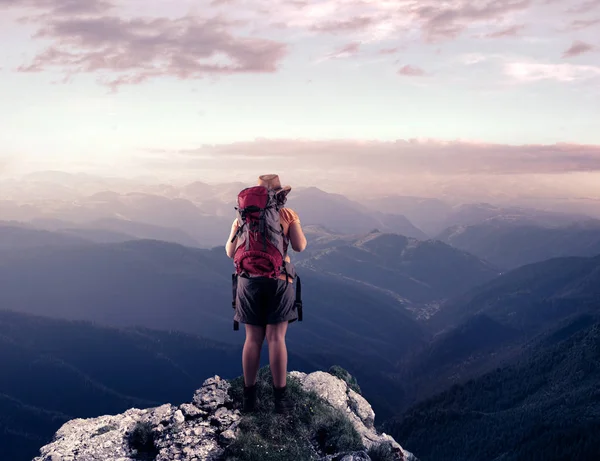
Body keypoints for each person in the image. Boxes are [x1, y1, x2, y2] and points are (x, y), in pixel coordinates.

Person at [225, 174, 307, 414]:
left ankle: (249, 398)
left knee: (252, 340)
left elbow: (230, 252)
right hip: (279, 281)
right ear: (280, 194)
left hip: (248, 283)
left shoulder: (241, 216)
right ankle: (280, 400)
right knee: (276, 339)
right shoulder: (288, 215)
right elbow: (300, 246)